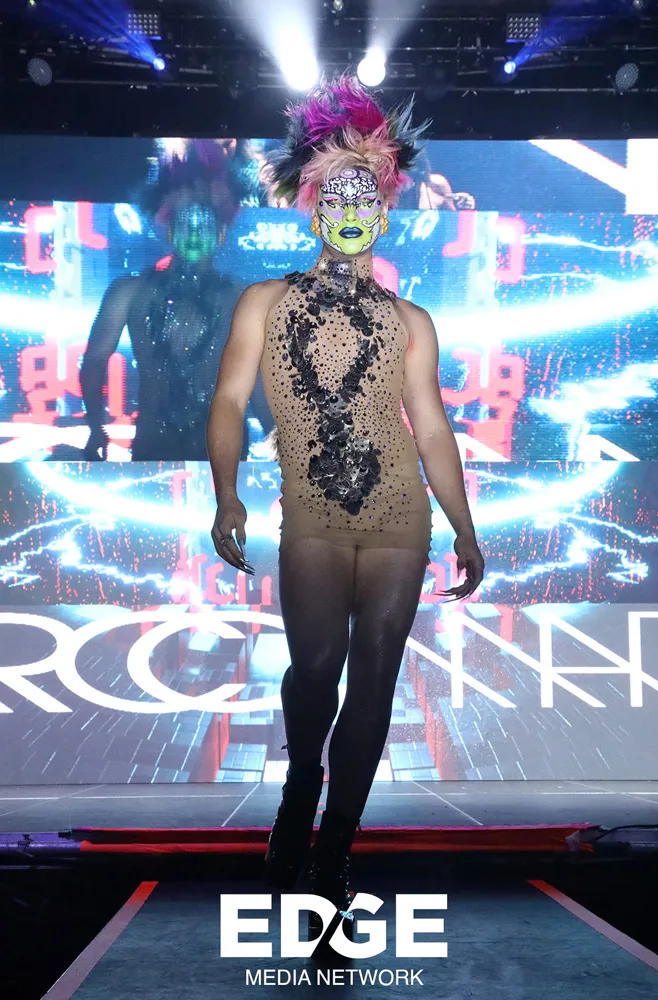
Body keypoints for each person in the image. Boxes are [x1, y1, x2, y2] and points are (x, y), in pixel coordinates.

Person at [206, 77, 484, 939]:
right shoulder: (265, 301)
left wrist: (464, 527)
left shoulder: (411, 320)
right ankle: (301, 786)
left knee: (374, 680)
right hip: (312, 511)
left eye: (366, 198)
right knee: (316, 668)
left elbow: (430, 428)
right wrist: (226, 494)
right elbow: (227, 402)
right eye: (337, 196)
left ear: (385, 214)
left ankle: (335, 847)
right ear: (314, 209)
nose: (352, 210)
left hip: (400, 512)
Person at [80, 140, 272, 461]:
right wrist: (95, 427)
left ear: (221, 234)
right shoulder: (129, 292)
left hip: (222, 457)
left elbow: (259, 381)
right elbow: (95, 361)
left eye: (203, 225)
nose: (194, 235)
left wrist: (281, 445)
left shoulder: (242, 298)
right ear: (170, 231)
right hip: (154, 449)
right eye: (185, 224)